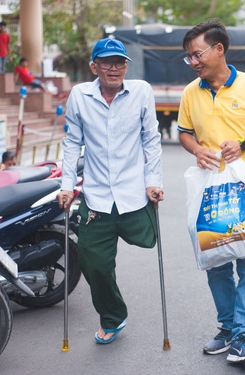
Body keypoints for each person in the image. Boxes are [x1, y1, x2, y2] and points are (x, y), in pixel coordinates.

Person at [177, 19, 245, 366]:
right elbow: (185, 133)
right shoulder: (191, 92)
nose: (193, 61)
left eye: (197, 54)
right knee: (217, 263)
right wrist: (197, 150)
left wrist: (243, 143)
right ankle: (227, 328)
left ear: (219, 49)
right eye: (188, 57)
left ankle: (243, 337)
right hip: (211, 188)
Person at [56, 37, 164, 345]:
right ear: (94, 67)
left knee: (149, 239)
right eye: (106, 62)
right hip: (97, 197)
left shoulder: (142, 92)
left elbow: (151, 140)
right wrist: (67, 187)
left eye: (119, 62)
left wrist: (154, 182)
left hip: (134, 192)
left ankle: (132, 228)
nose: (113, 68)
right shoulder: (79, 95)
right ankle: (113, 316)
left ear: (126, 66)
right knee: (92, 260)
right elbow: (72, 143)